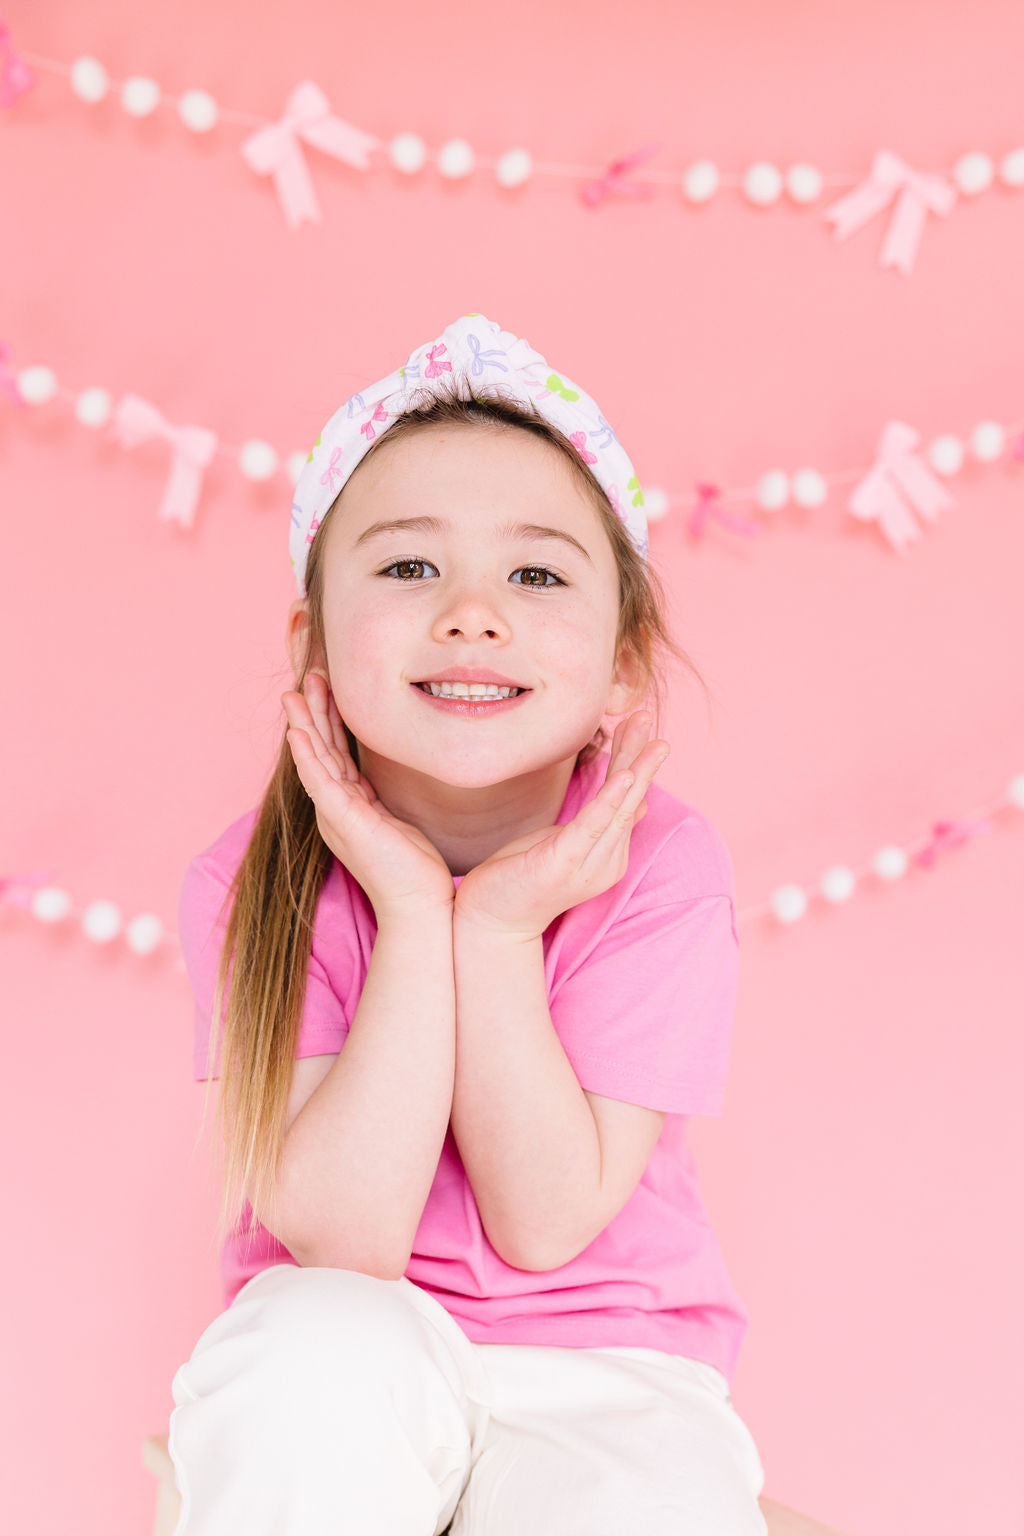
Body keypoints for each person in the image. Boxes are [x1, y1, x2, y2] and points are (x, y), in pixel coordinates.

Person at [168, 313, 768, 1535]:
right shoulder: (255, 877)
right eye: (407, 568)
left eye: (537, 574)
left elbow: (544, 1222)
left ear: (620, 673)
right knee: (300, 1360)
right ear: (314, 650)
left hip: (610, 1360)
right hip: (359, 1333)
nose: (472, 614)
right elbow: (343, 1236)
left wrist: (494, 933)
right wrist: (400, 902)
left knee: (656, 1495)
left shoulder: (660, 866)